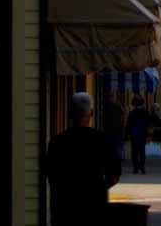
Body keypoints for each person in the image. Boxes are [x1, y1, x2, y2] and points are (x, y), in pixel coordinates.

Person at [46, 92, 121, 226]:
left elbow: (51, 177)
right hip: (94, 208)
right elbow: (114, 176)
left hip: (65, 209)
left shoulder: (57, 141)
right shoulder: (102, 140)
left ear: (69, 113)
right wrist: (97, 189)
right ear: (91, 113)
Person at [124, 96, 161, 174]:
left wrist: (127, 134)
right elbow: (150, 122)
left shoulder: (132, 113)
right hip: (142, 134)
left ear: (134, 104)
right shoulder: (145, 112)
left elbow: (128, 125)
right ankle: (142, 167)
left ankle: (135, 168)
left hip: (134, 135)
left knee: (134, 152)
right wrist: (149, 134)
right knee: (142, 151)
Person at [100, 92, 125, 167]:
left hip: (109, 130)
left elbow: (103, 119)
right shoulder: (117, 106)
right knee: (117, 146)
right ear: (113, 97)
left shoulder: (105, 107)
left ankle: (110, 160)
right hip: (117, 130)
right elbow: (122, 117)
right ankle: (117, 160)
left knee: (110, 147)